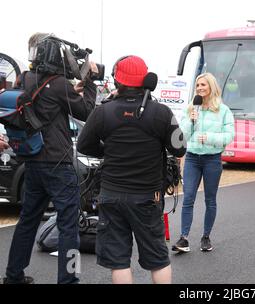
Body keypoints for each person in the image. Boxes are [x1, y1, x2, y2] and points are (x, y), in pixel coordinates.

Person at [77, 55, 186, 284]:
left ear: (117, 81)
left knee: (118, 261)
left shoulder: (103, 111)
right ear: (146, 80)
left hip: (111, 196)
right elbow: (179, 148)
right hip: (148, 197)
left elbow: (84, 145)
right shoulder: (161, 113)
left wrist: (109, 151)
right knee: (158, 258)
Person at [3, 33, 98, 284]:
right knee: (69, 225)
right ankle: (69, 280)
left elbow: (44, 101)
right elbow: (87, 111)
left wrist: (71, 91)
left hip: (32, 159)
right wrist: (89, 82)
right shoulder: (59, 84)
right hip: (58, 163)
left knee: (27, 221)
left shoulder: (24, 78)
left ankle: (13, 275)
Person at [172, 72, 234, 253]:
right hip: (192, 158)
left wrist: (210, 137)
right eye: (198, 85)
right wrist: (190, 120)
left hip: (212, 160)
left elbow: (229, 135)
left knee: (210, 200)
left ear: (211, 87)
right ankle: (184, 239)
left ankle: (206, 236)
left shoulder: (223, 110)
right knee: (188, 197)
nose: (199, 88)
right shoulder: (191, 108)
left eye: (203, 85)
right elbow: (182, 135)